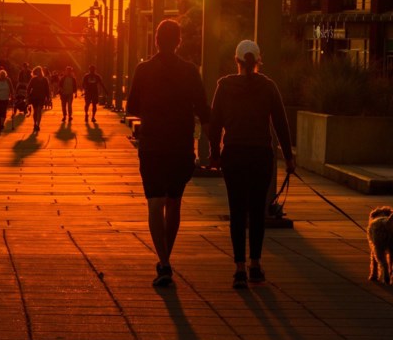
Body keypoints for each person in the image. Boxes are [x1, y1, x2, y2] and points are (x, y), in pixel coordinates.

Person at [126, 19, 210, 288]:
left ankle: (163, 261)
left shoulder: (143, 69)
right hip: (180, 146)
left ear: (156, 40)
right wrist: (214, 144)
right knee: (174, 202)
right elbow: (203, 109)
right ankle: (166, 258)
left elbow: (132, 108)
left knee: (154, 203)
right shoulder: (189, 71)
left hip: (152, 146)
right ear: (179, 42)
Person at [209, 40, 296, 289]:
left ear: (236, 61)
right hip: (260, 155)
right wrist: (288, 158)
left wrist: (214, 154)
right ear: (258, 61)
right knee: (257, 211)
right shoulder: (268, 87)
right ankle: (255, 266)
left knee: (237, 211)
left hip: (234, 154)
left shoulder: (224, 86)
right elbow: (281, 124)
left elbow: (215, 124)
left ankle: (238, 270)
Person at [27, 66, 51, 135]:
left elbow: (47, 89)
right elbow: (29, 88)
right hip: (34, 97)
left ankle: (38, 124)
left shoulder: (45, 80)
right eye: (37, 71)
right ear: (36, 72)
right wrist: (28, 95)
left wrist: (48, 97)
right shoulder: (33, 79)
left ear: (41, 72)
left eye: (39, 71)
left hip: (42, 97)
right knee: (35, 111)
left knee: (39, 110)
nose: (39, 73)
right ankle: (35, 123)